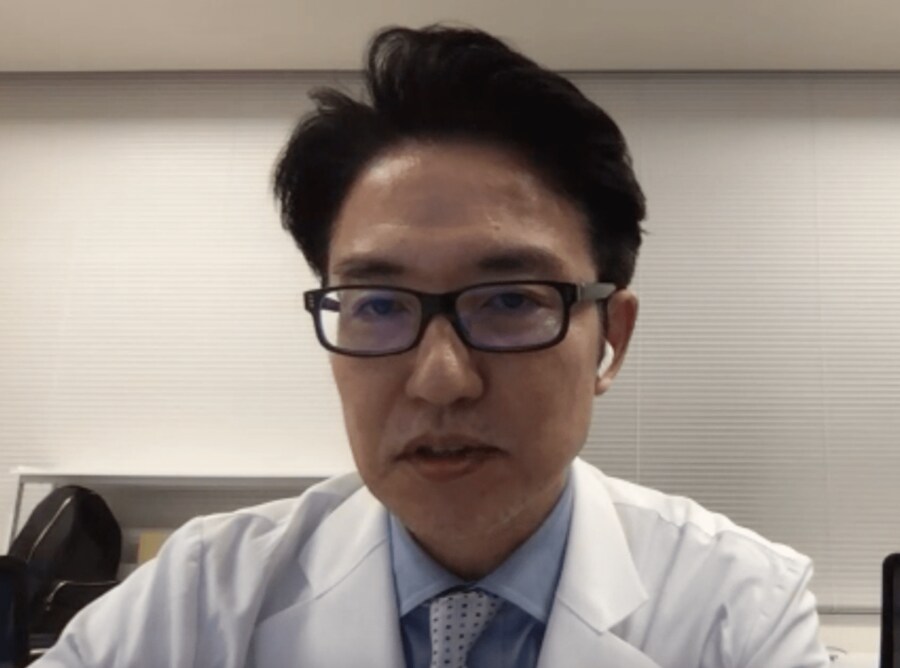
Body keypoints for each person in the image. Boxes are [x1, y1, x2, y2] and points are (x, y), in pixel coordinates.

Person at [34, 25, 831, 668]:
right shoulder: (196, 598)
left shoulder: (739, 608)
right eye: (380, 305)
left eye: (512, 300)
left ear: (610, 341)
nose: (442, 379)